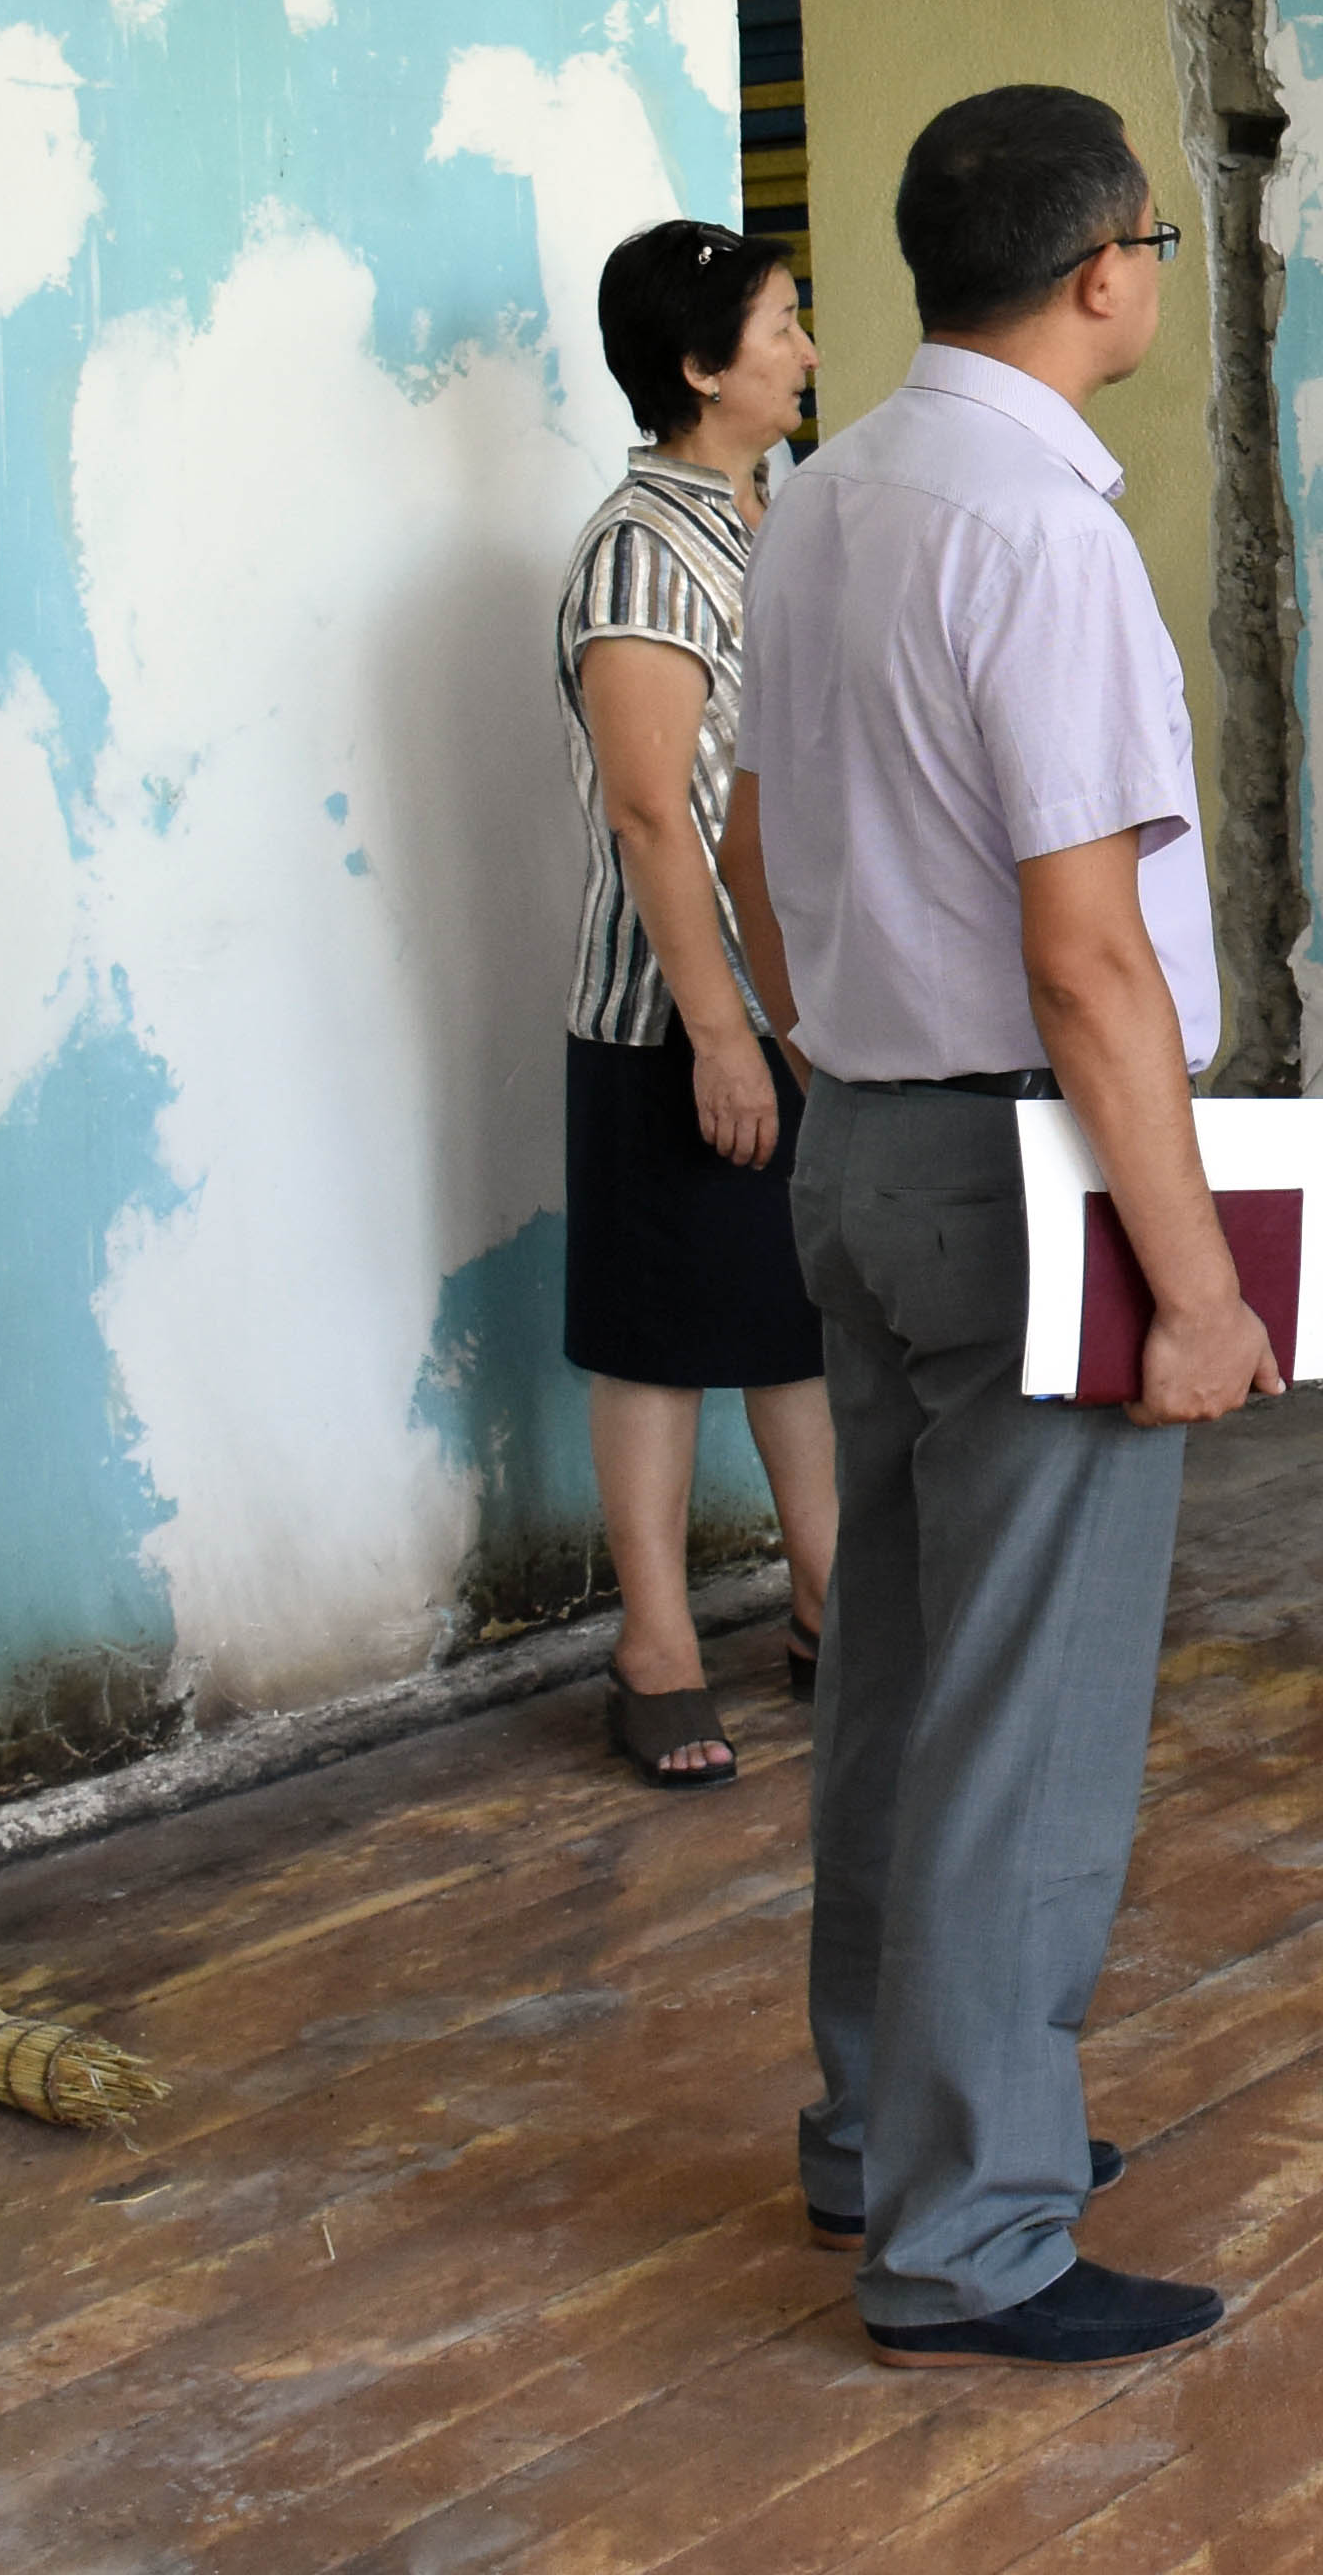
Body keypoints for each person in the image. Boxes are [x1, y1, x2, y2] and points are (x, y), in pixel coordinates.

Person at [733, 84, 1275, 2373]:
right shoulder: (1041, 531)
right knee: (1027, 1715)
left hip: (867, 1136)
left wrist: (843, 1041)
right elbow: (1090, 956)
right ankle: (973, 2229)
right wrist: (1197, 1276)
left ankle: (888, 2120)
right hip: (1023, 1161)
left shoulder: (830, 492)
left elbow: (751, 835)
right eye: (1155, 235)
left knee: (896, 1669)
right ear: (1102, 269)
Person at [553, 219, 844, 1790]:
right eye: (781, 325)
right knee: (662, 1339)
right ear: (697, 365)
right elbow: (652, 810)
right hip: (672, 1014)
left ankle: (827, 1601)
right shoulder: (639, 549)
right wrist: (721, 1034)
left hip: (796, 997)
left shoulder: (779, 518)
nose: (806, 352)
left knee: (792, 1318)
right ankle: (655, 1648)